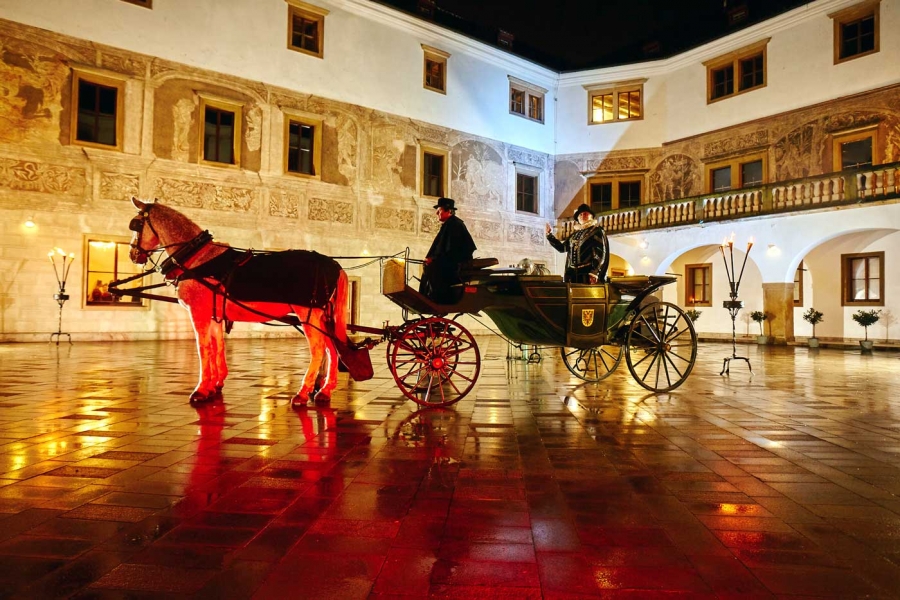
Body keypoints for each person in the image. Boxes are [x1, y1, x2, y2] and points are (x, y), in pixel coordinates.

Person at [420, 197, 476, 304]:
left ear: (448, 211)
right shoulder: (449, 224)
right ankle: (427, 296)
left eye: (439, 210)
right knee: (428, 266)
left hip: (456, 265)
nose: (437, 213)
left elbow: (451, 251)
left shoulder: (455, 225)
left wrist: (434, 259)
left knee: (433, 268)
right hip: (449, 262)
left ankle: (437, 298)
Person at [545, 203, 610, 284]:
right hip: (572, 275)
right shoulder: (574, 235)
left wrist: (595, 272)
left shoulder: (597, 231)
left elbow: (601, 254)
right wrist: (549, 236)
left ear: (591, 216)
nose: (582, 216)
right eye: (580, 215)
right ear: (578, 219)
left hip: (587, 274)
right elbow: (562, 248)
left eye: (585, 214)